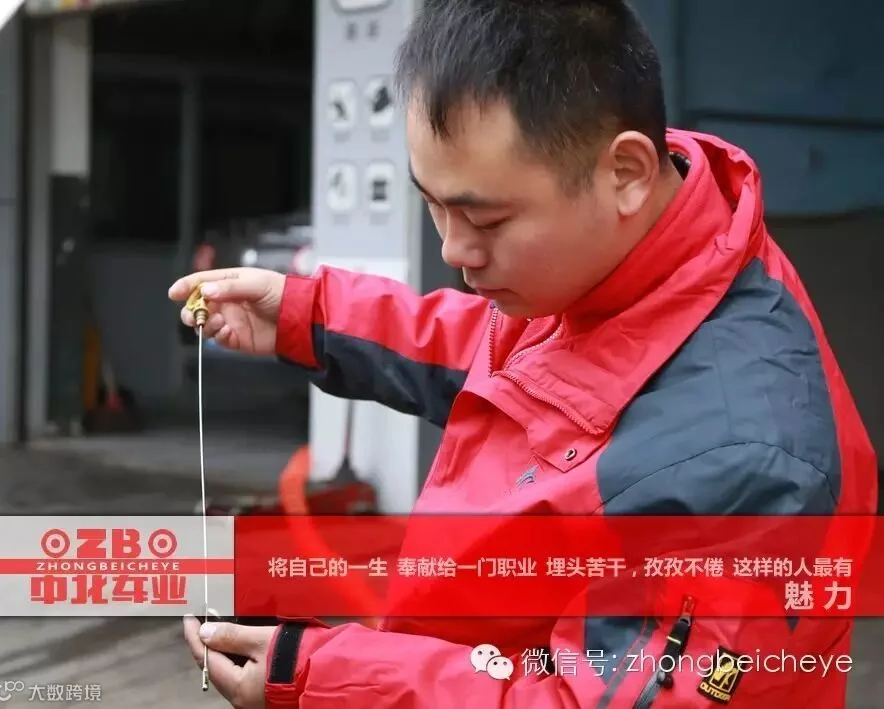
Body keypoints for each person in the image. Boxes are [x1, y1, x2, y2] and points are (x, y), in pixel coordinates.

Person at [170, 0, 877, 706]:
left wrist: (321, 676)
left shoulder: (744, 467)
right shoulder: (635, 263)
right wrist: (307, 314)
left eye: (485, 218)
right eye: (434, 204)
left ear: (626, 172)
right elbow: (505, 357)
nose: (454, 249)